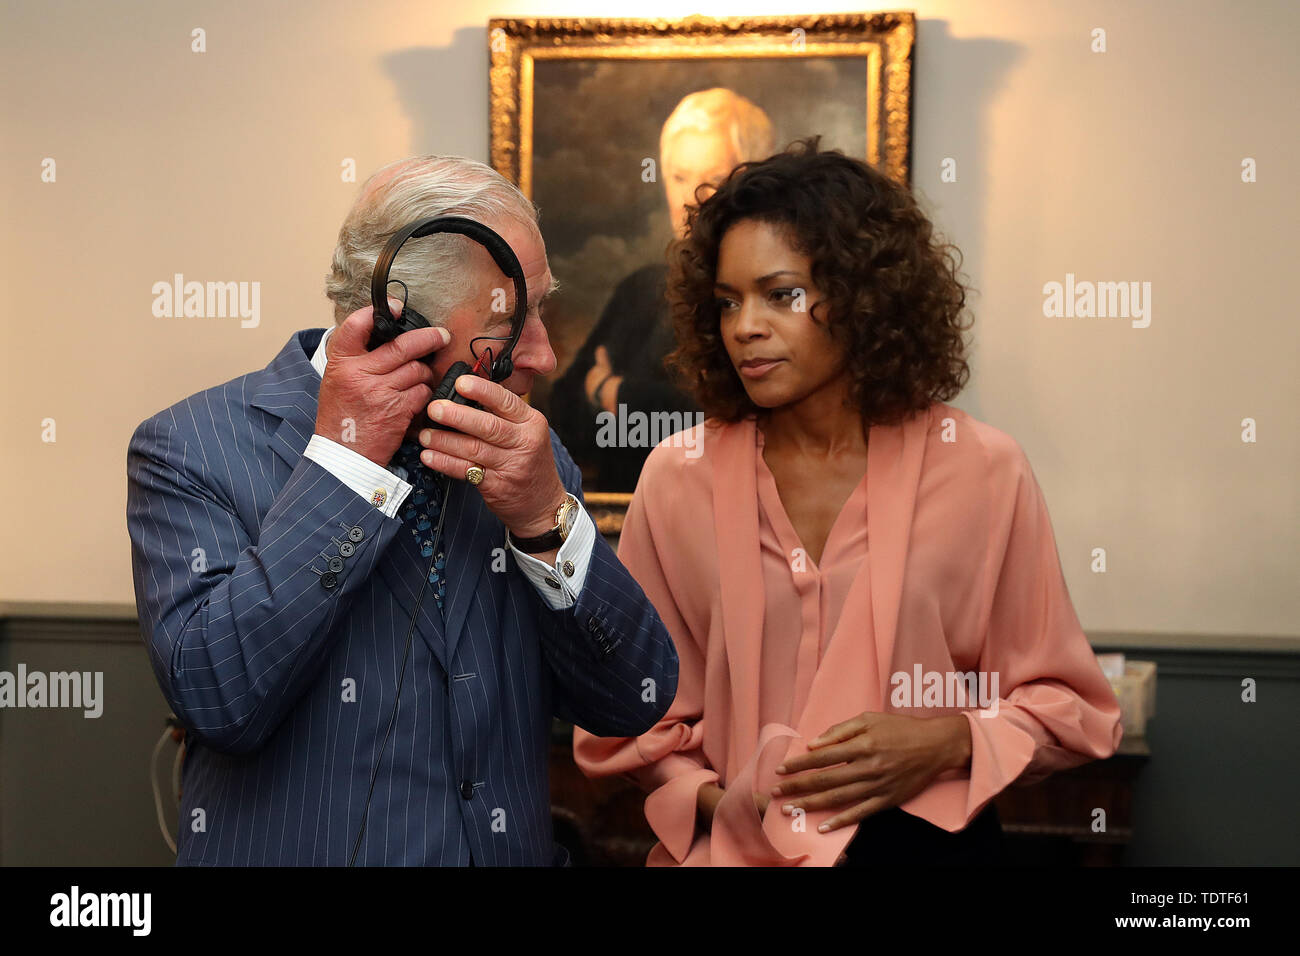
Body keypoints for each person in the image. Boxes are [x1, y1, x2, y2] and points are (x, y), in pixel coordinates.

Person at [573, 137, 1122, 866]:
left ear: (865, 296)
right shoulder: (678, 477)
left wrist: (947, 741)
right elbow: (629, 716)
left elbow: (1071, 706)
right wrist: (728, 802)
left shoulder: (985, 469)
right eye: (728, 302)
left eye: (781, 294)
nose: (746, 326)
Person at [126, 155, 678, 866]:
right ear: (398, 324)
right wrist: (348, 464)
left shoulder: (526, 450)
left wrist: (546, 519)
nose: (544, 353)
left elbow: (633, 698)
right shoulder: (190, 448)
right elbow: (220, 699)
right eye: (515, 318)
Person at [547, 88, 775, 490]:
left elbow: (731, 418)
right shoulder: (641, 288)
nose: (691, 198)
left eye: (714, 178)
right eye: (679, 177)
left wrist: (612, 390)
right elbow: (563, 412)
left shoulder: (771, 292)